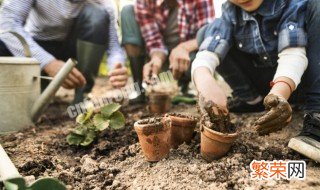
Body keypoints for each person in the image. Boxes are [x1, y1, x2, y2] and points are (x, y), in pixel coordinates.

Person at [192, 0, 320, 162]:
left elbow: (293, 55)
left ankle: (317, 115)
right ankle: (252, 100)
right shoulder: (230, 12)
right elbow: (207, 54)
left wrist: (280, 92)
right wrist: (204, 80)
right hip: (266, 87)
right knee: (206, 33)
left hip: (300, 82)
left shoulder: (289, 4)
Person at [0, 0, 128, 103]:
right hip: (37, 48)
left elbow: (114, 46)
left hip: (73, 52)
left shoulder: (104, 3)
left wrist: (117, 66)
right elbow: (7, 24)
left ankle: (81, 96)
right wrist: (48, 63)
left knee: (97, 15)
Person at [121, 0, 215, 104]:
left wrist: (184, 48)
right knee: (128, 11)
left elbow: (209, 34)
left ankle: (184, 85)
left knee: (205, 53)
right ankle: (138, 88)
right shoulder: (144, 2)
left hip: (189, 57)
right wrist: (156, 59)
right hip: (163, 59)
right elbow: (153, 40)